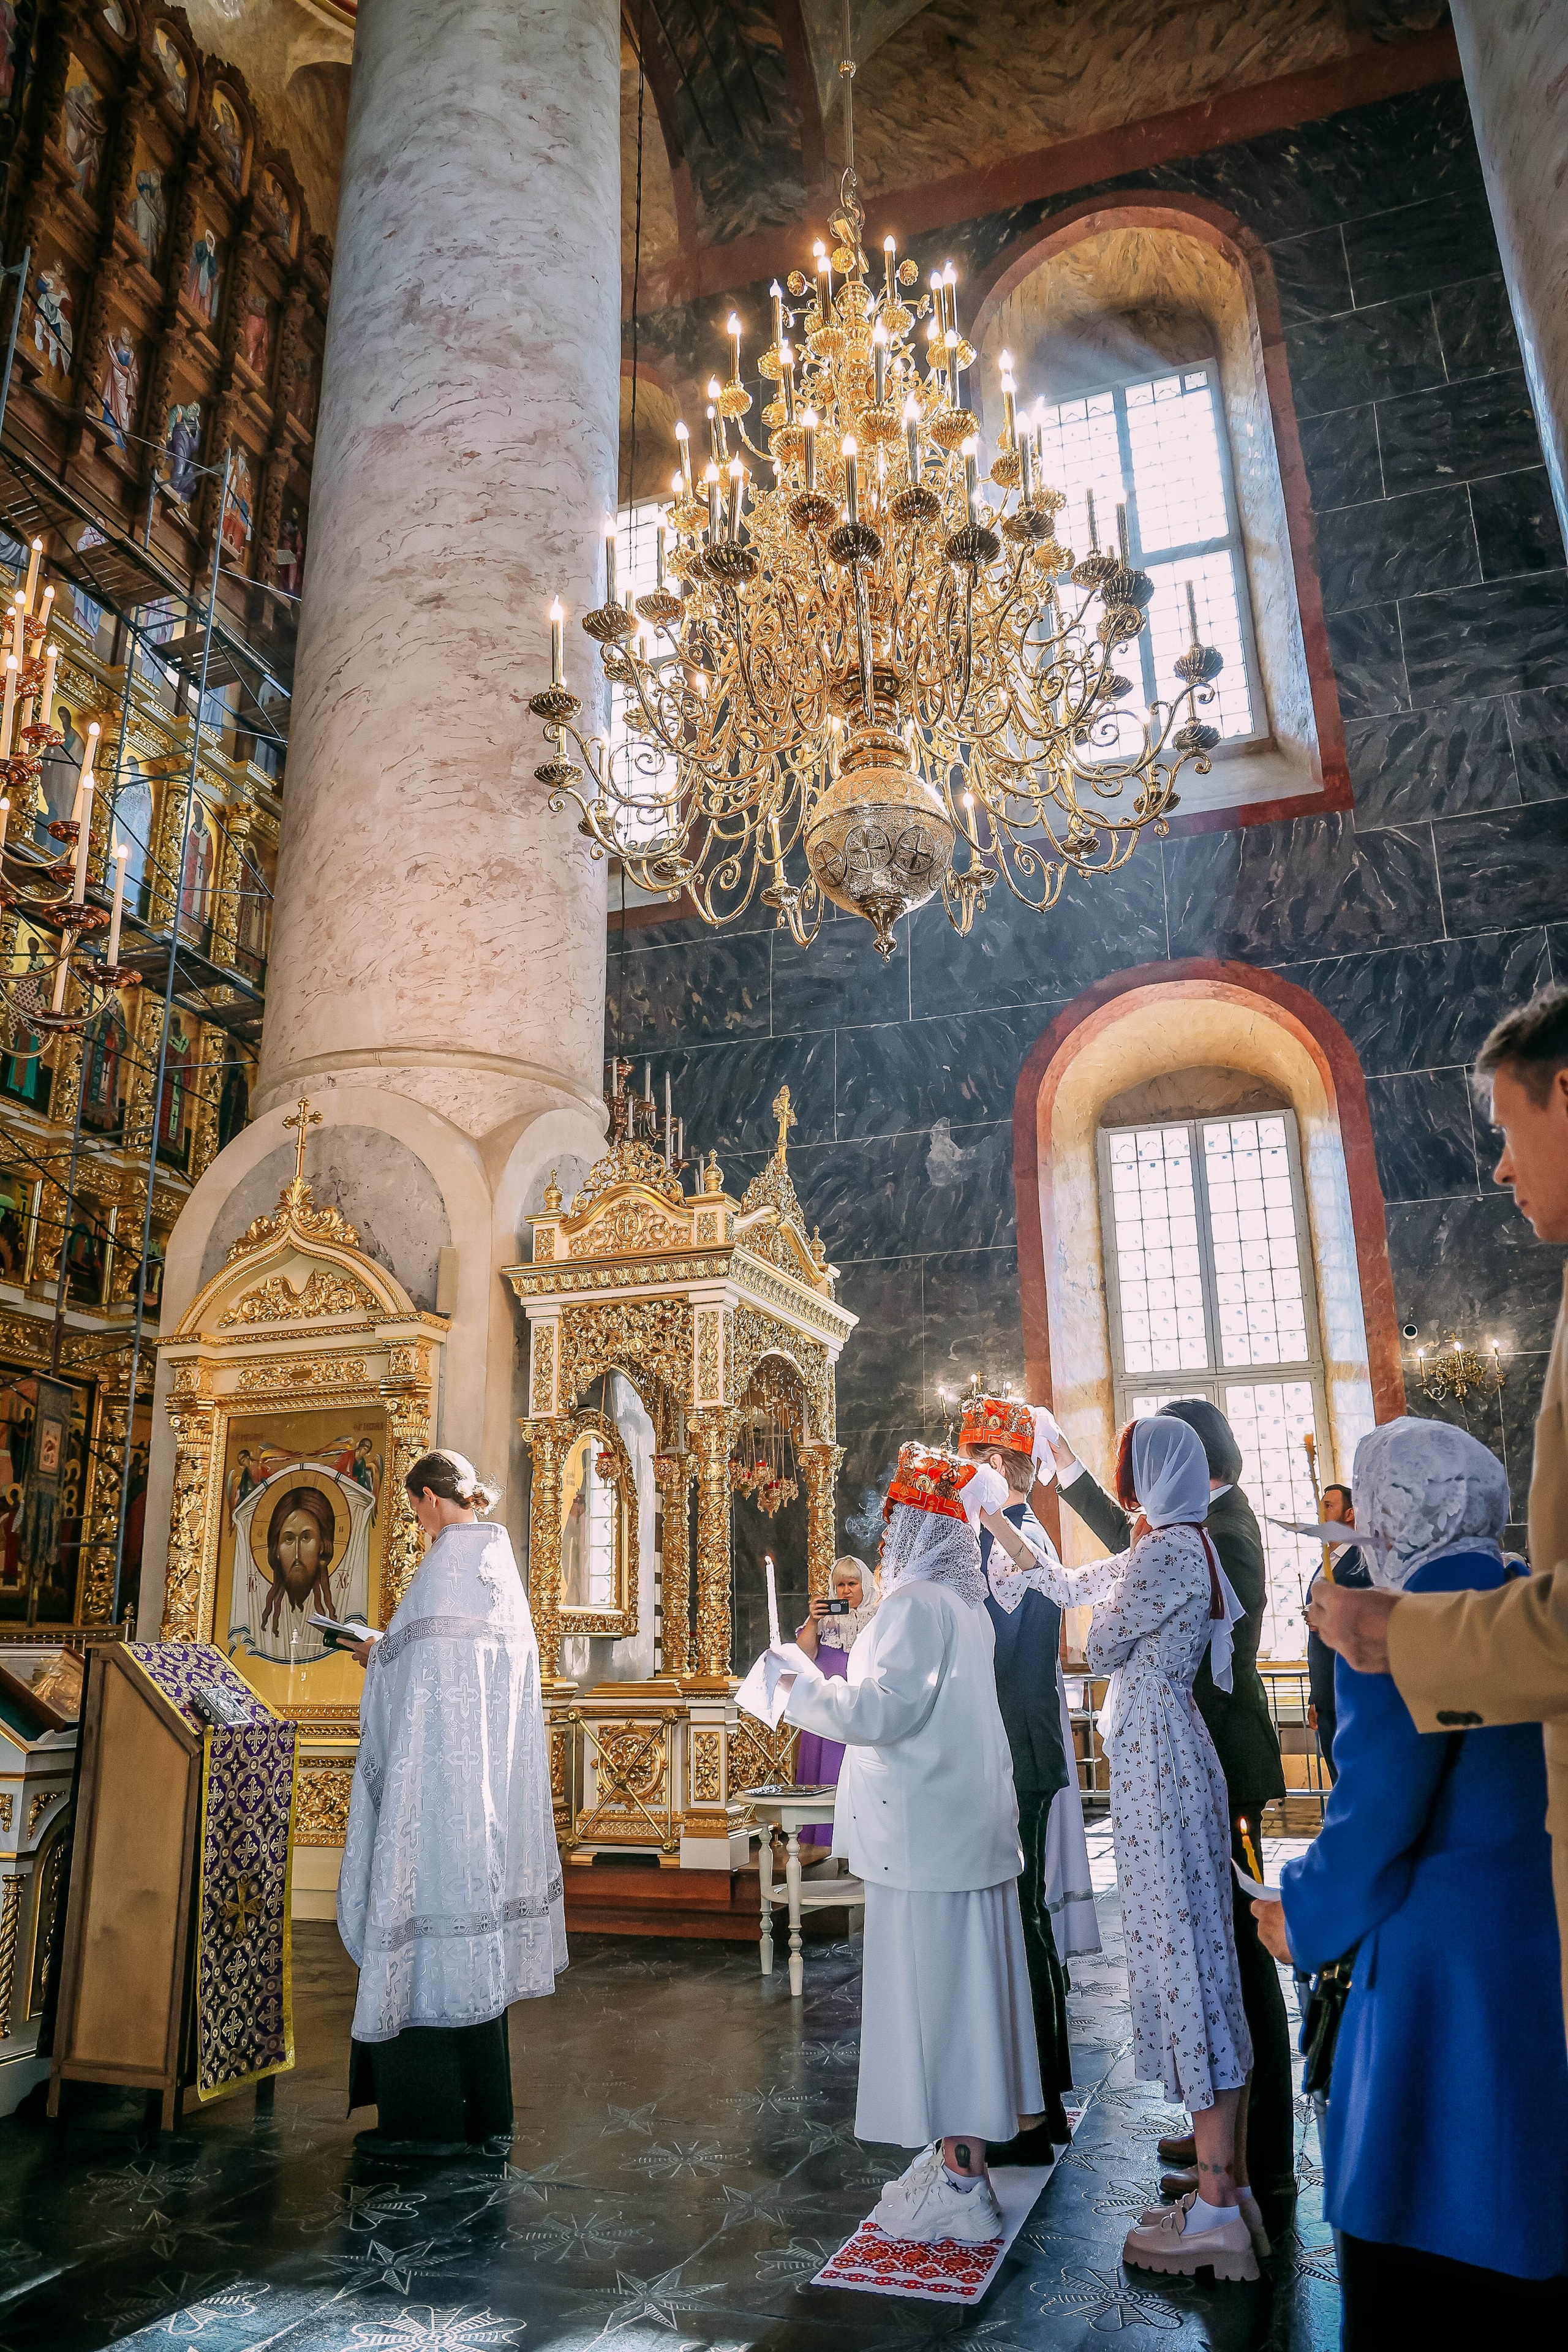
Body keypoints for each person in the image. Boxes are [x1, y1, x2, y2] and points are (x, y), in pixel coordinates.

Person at [1257, 1419, 1568, 2338]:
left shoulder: (1396, 1632)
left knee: (1427, 2214)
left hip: (1438, 1978)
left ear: (1390, 1522)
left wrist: (1299, 1914)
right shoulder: (1521, 1604)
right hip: (1537, 1936)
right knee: (1529, 2187)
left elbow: (1372, 1828)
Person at [1308, 982, 1568, 2032]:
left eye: (1510, 1128)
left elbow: (1379, 1803)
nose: (1499, 1167)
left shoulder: (1439, 1594)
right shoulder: (1490, 1572)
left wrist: (1390, 1635)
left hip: (1449, 1967)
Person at [989, 1417, 1259, 2279]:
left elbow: (1099, 1641)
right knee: (1194, 1956)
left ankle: (1218, 2207)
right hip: (1163, 1752)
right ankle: (1228, 2189)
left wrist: (1111, 1591)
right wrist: (998, 1524)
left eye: (1136, 1471)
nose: (1130, 1488)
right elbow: (1069, 1586)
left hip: (1160, 1758)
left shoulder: (1170, 1552)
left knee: (1189, 1961)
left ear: (1160, 1474)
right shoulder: (1172, 1543)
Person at [770, 1443, 1041, 2246]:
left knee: (939, 2007)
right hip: (959, 1833)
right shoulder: (960, 1607)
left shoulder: (916, 1604)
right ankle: (959, 2163)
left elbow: (882, 1714)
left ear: (919, 1527)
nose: (886, 1533)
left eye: (896, 1519)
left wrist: (794, 1686)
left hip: (929, 1843)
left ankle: (960, 2178)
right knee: (966, 2002)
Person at [1040, 1397, 1295, 2222]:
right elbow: (1135, 1562)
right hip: (1193, 1761)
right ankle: (1217, 2131)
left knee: (1241, 1955)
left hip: (1222, 1771)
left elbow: (1178, 1623)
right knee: (1209, 1947)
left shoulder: (1224, 1532)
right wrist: (1072, 1475)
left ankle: (1258, 2157)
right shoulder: (1196, 1525)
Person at [339, 1449, 566, 2157]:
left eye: (414, 1511)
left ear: (431, 1501)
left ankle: (426, 2118)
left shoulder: (443, 1571)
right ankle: (483, 2113)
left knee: (423, 1927)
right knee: (472, 1942)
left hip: (433, 1805)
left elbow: (416, 1676)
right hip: (485, 1807)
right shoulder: (499, 1569)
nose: (417, 1524)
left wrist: (374, 1654)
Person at [957, 1393, 1085, 2157]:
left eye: (971, 1462)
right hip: (1018, 1747)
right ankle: (1036, 2101)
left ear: (998, 1466)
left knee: (1024, 1924)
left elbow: (994, 1655)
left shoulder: (1010, 1542)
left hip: (1013, 1751)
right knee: (1022, 1922)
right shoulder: (1011, 1535)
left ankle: (1036, 2110)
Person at [791, 1554, 876, 1850]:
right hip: (825, 1713)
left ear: (865, 1585)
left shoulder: (878, 1617)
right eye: (840, 1585)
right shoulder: (824, 1620)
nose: (846, 1591)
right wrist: (814, 1622)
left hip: (860, 1710)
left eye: (852, 1583)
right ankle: (820, 1849)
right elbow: (802, 1658)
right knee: (823, 1778)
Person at [1305, 1483, 1371, 1785]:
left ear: (1350, 1513)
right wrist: (1315, 1696)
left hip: (1352, 1689)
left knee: (1356, 1778)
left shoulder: (1362, 1561)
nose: (1321, 1512)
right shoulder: (1324, 1564)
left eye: (1328, 1505)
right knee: (1338, 1779)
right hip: (1327, 1692)